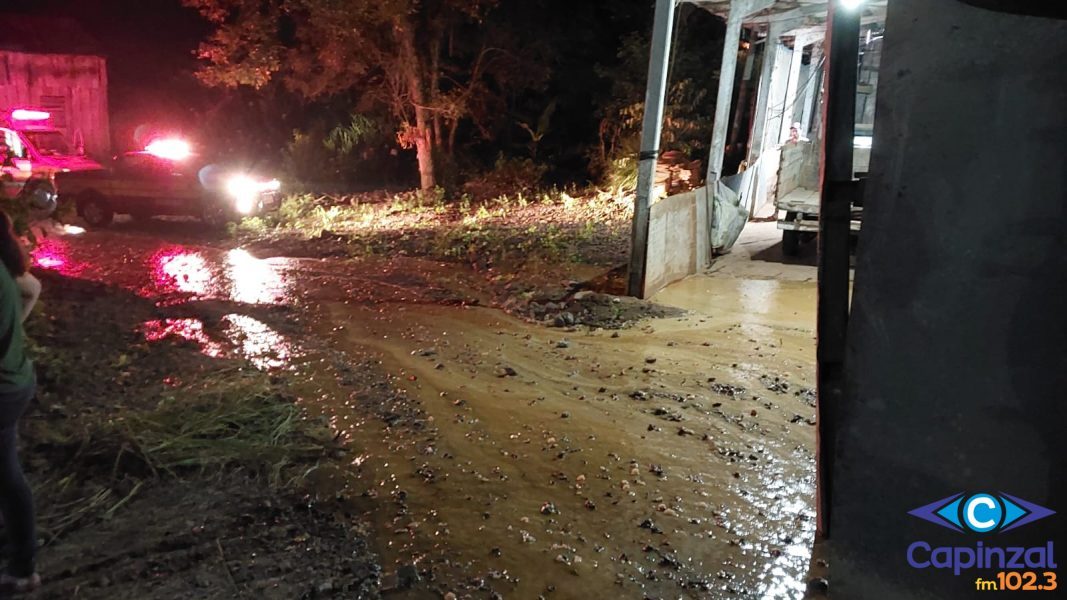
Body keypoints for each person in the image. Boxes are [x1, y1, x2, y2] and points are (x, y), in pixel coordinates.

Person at [0, 211, 40, 593]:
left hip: (3, 390)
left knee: (8, 477)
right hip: (15, 380)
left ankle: (23, 565)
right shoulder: (5, 264)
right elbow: (33, 289)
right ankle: (21, 560)